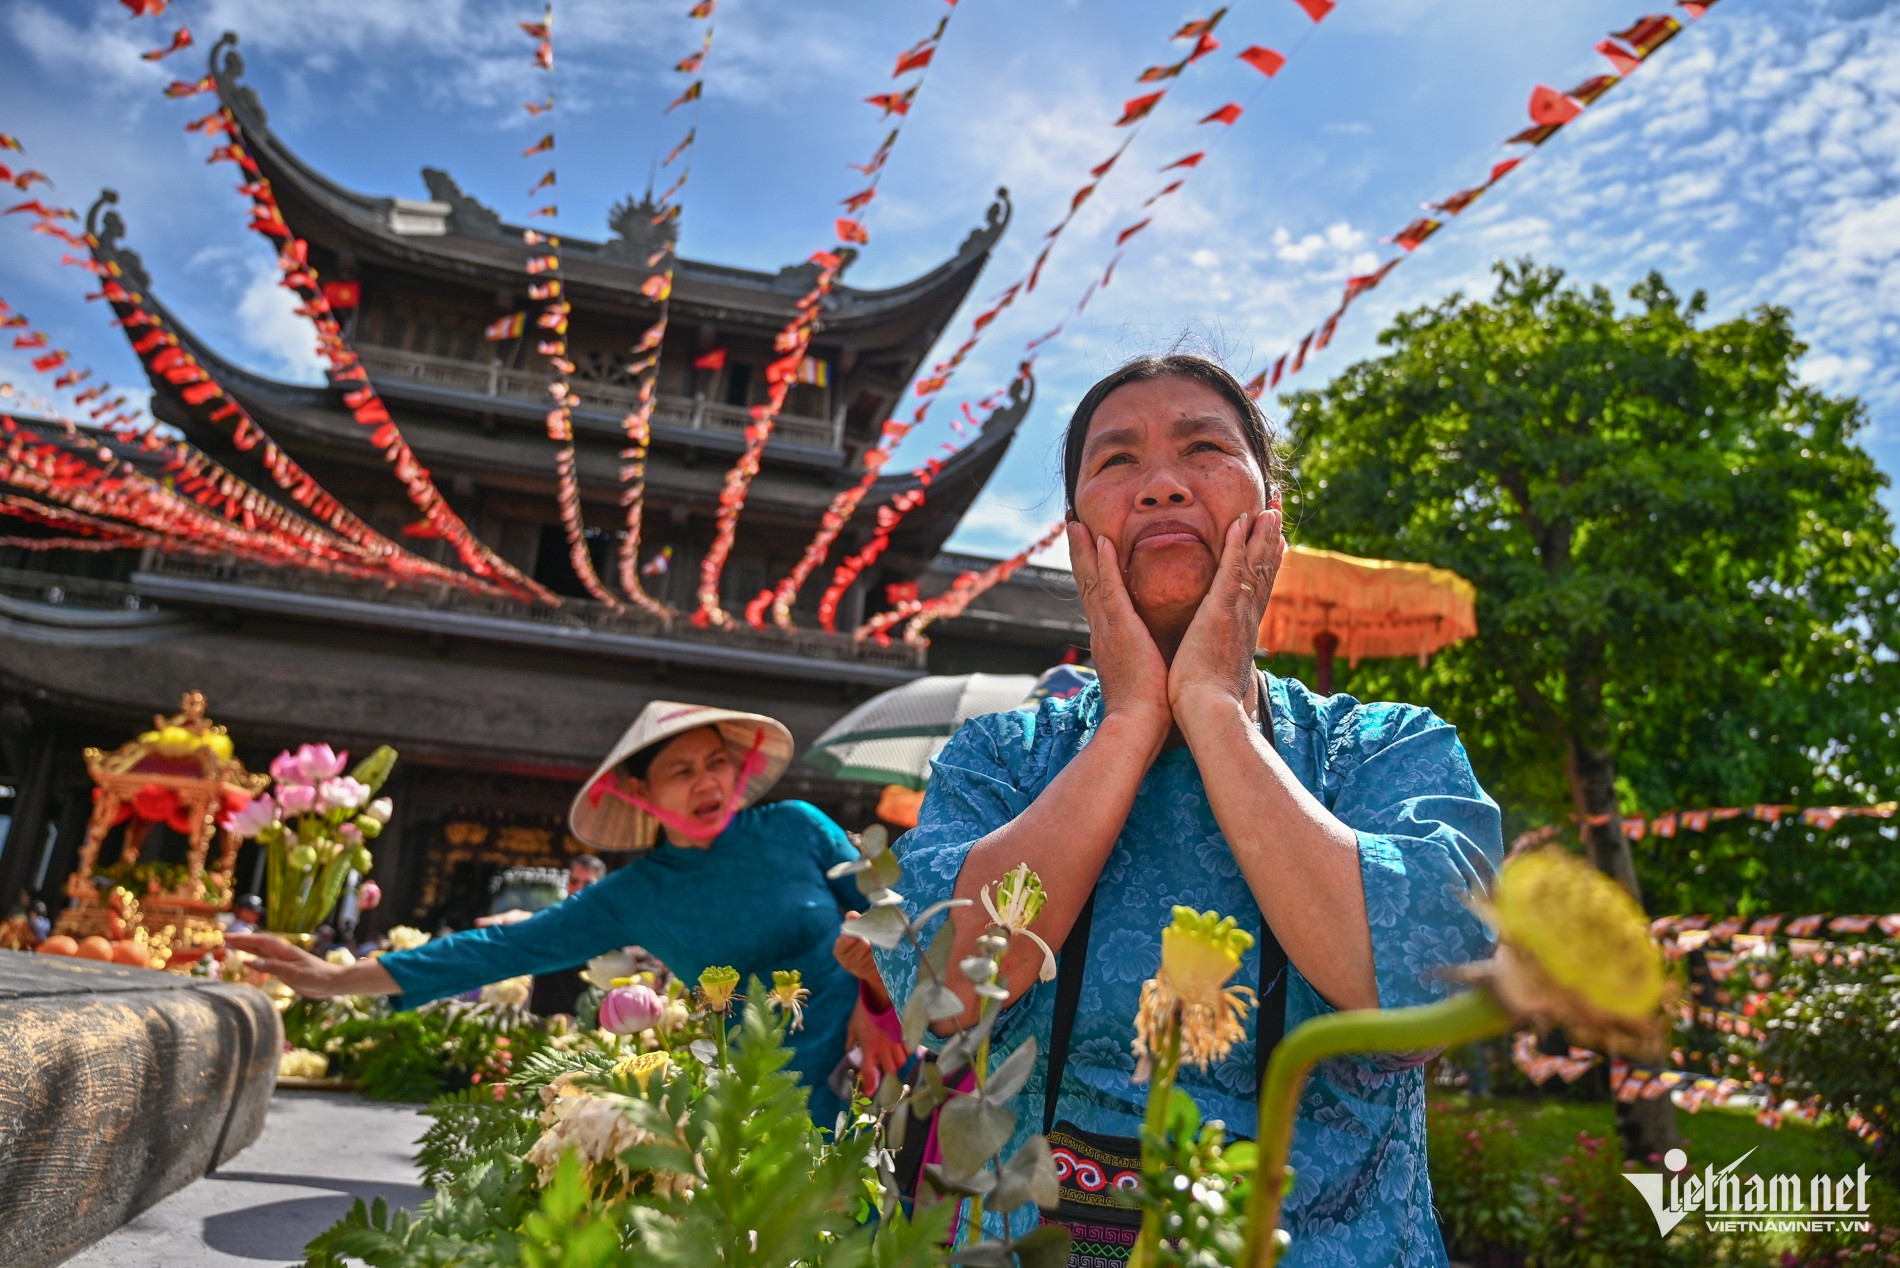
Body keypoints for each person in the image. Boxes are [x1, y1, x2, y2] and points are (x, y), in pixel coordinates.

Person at [875, 354, 1501, 1264]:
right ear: (1075, 536)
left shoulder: (1385, 749)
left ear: (1270, 515)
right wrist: (1129, 722)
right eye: (1117, 460)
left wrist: (1212, 707)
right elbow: (944, 990)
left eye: (1204, 448)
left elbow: (1414, 977)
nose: (1162, 485)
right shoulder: (1000, 759)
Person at [230, 701, 890, 1126]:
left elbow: (895, 915)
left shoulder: (797, 827)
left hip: (882, 1065)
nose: (707, 782)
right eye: (682, 771)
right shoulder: (635, 895)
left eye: (717, 763)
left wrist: (878, 1001)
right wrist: (333, 980)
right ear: (641, 792)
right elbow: (500, 951)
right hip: (760, 1100)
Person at [475, 855, 610, 1016]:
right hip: (542, 1016)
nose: (579, 888)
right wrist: (501, 920)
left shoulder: (608, 927)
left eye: (588, 883)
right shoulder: (553, 918)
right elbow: (528, 917)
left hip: (585, 1019)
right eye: (574, 881)